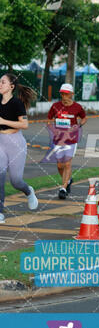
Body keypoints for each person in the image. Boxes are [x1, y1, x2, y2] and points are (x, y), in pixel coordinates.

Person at [0, 73, 39, 222]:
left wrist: (3, 120)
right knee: (0, 177)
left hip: (15, 142)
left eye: (2, 82)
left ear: (11, 86)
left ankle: (28, 191)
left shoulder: (17, 103)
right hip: (0, 142)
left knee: (16, 181)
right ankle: (0, 212)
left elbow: (25, 125)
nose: (0, 84)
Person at [47, 84, 87, 199]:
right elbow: (49, 120)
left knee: (67, 163)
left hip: (71, 139)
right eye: (62, 93)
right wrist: (52, 129)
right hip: (58, 139)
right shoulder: (55, 106)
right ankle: (68, 180)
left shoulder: (77, 107)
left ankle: (63, 188)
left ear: (71, 94)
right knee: (60, 165)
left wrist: (79, 125)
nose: (64, 96)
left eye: (66, 94)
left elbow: (84, 117)